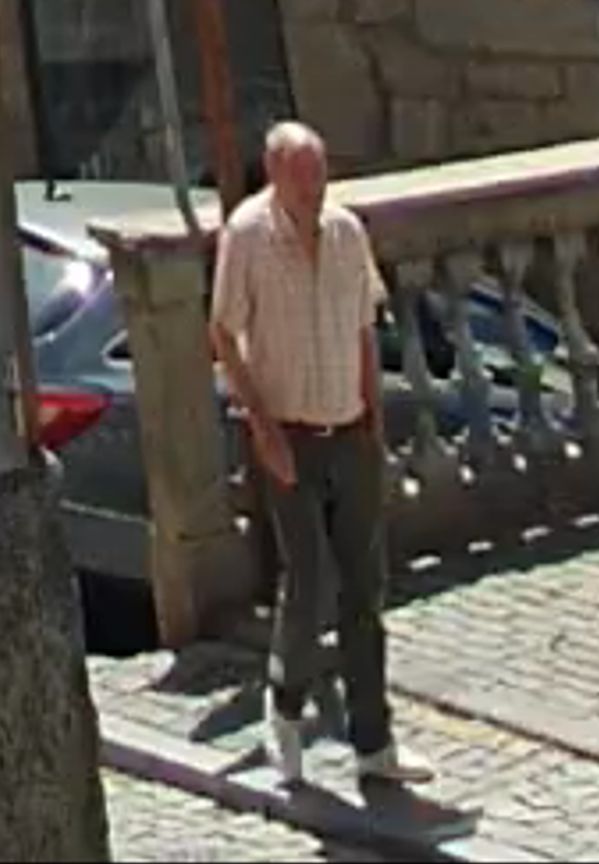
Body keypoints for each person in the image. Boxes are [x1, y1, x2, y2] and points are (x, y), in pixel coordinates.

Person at [207, 115, 406, 799]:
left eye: (320, 180)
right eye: (302, 183)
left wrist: (374, 421)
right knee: (309, 579)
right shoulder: (247, 234)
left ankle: (374, 743)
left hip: (348, 428)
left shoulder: (348, 232)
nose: (314, 194)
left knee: (365, 587)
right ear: (274, 176)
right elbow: (223, 334)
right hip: (287, 431)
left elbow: (364, 329)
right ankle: (286, 701)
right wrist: (263, 431)